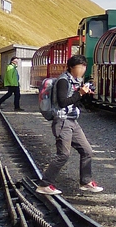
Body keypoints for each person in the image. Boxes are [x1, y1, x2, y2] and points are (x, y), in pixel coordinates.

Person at [35, 55, 104, 195]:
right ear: (71, 67)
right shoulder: (63, 81)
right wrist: (79, 93)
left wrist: (85, 94)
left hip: (72, 121)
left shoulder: (76, 81)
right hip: (62, 121)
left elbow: (75, 101)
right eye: (80, 67)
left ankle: (85, 181)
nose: (82, 70)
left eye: (84, 67)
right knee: (63, 155)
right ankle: (44, 184)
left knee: (87, 151)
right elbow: (62, 102)